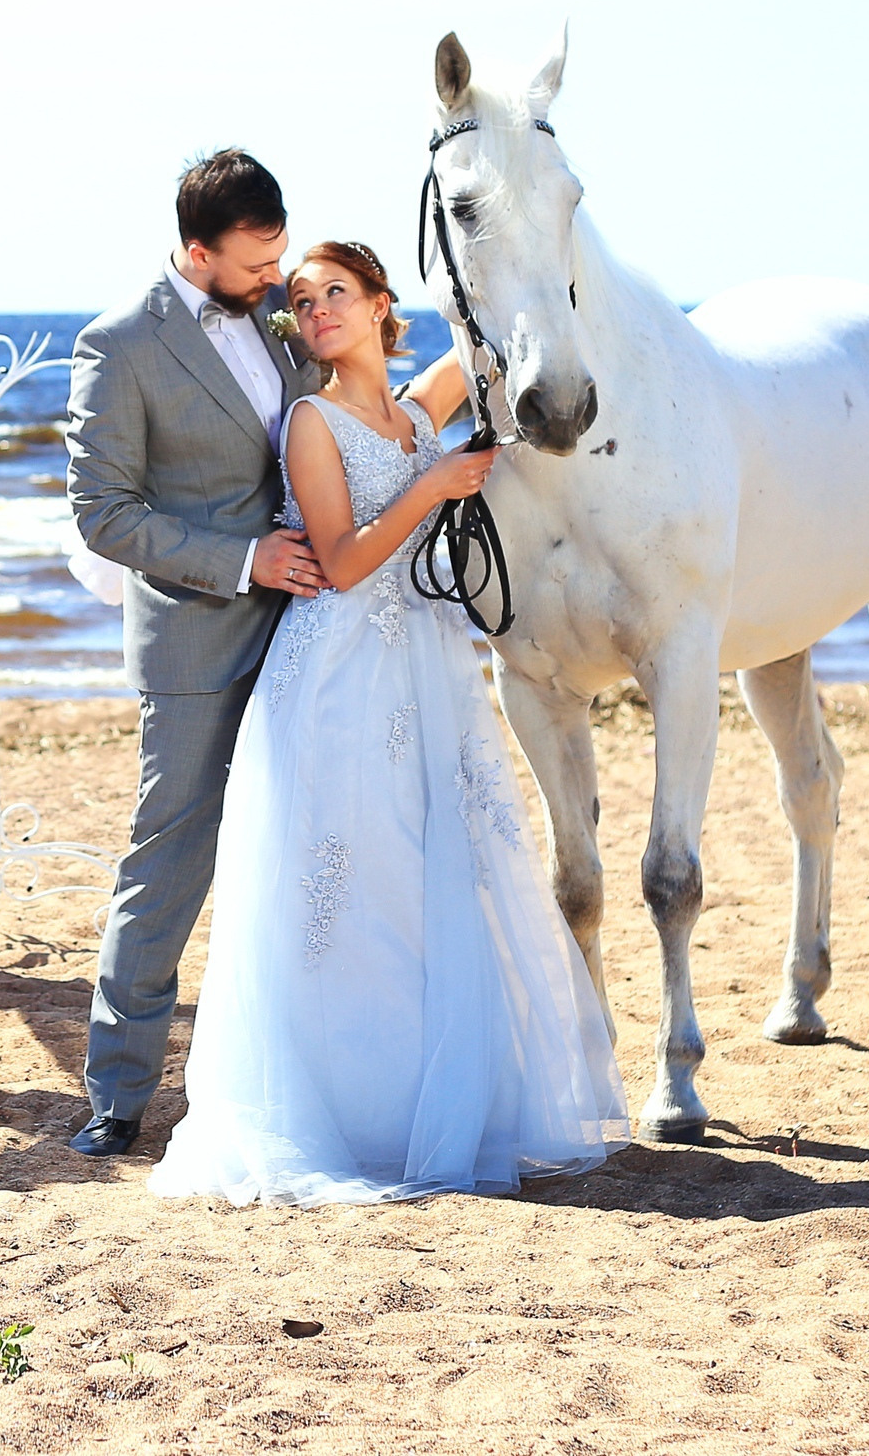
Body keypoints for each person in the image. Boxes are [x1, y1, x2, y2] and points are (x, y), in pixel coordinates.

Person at [148, 242, 625, 1205]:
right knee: (348, 887)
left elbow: (477, 340)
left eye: (336, 292)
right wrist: (434, 485)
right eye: (300, 299)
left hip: (428, 672)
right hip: (338, 676)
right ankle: (352, 1115)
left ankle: (425, 1105)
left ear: (378, 305)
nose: (316, 309)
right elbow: (343, 557)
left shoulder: (411, 413)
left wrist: (527, 270)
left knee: (432, 879)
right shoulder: (310, 424)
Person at [62, 149, 328, 1156]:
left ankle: (297, 1073)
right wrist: (243, 559)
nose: (276, 287)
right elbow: (102, 514)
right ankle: (117, 1094)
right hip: (193, 635)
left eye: (280, 264)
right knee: (170, 856)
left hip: (311, 627)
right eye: (257, 269)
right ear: (195, 251)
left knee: (309, 846)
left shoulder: (272, 320)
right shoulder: (120, 345)